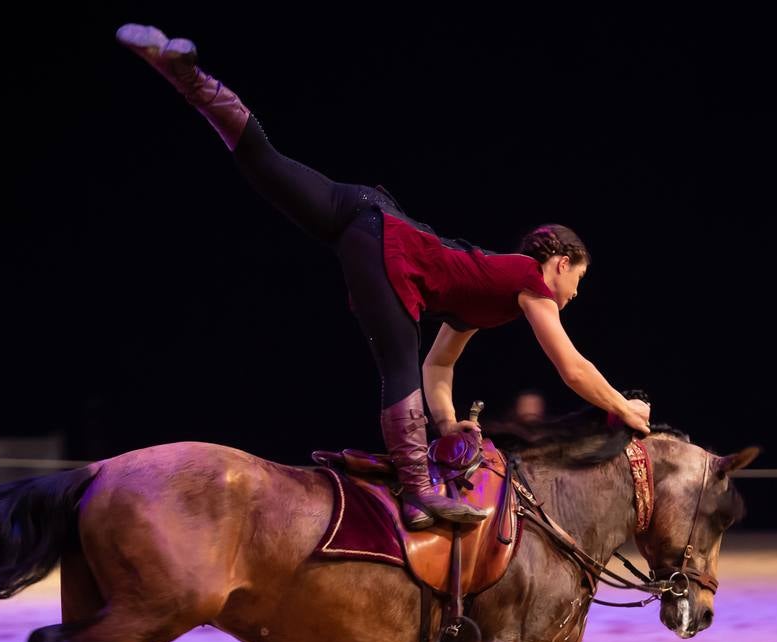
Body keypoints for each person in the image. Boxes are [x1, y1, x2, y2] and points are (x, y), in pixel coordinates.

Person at [116, 25, 651, 529]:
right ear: (559, 264)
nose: (575, 293)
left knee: (265, 163)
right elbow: (572, 368)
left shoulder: (488, 292)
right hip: (391, 246)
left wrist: (447, 425)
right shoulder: (530, 280)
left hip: (366, 214)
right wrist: (625, 408)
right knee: (396, 363)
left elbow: (439, 365)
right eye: (577, 280)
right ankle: (418, 488)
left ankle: (186, 75)